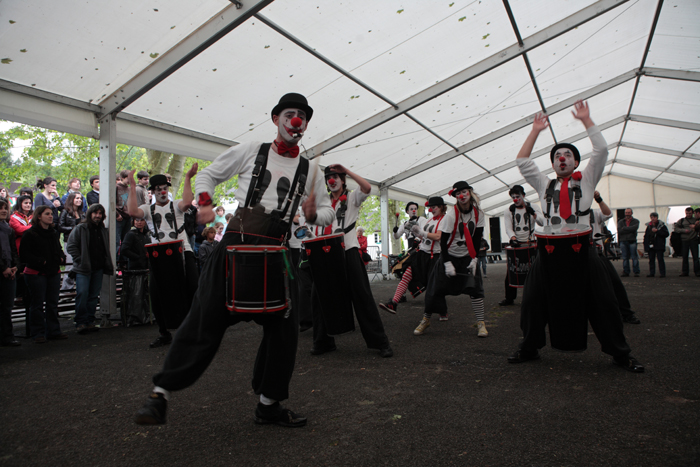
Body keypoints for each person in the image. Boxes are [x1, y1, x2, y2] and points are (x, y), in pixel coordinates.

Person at [134, 92, 334, 428]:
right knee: (203, 318)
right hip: (235, 245)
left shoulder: (312, 170)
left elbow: (328, 212)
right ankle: (160, 393)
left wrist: (313, 215)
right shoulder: (251, 150)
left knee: (284, 332)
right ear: (276, 119)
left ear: (306, 124)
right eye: (289, 113)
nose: (295, 120)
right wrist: (206, 203)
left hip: (277, 253)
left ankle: (269, 406)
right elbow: (206, 176)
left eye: (301, 115)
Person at [507, 100, 643, 372]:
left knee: (604, 302)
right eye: (558, 155)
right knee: (532, 302)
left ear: (576, 161)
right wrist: (535, 130)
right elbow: (522, 161)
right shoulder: (544, 184)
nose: (562, 158)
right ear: (553, 164)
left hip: (583, 249)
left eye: (568, 155)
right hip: (547, 252)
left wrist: (586, 120)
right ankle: (529, 347)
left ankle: (620, 353)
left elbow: (602, 149)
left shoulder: (587, 179)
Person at [310, 165, 393, 357]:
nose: (332, 180)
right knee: (318, 297)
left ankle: (380, 342)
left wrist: (346, 170)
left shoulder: (353, 197)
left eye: (336, 176)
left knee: (362, 296)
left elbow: (367, 188)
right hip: (325, 254)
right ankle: (323, 342)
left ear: (343, 179)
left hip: (348, 251)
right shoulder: (322, 202)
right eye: (329, 177)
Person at [126, 167, 200, 349]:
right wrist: (132, 186)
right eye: (158, 188)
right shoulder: (147, 209)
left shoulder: (176, 205)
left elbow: (188, 202)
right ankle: (164, 332)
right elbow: (132, 212)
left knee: (193, 287)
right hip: (159, 257)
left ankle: (194, 330)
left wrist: (188, 177)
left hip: (184, 251)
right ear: (152, 192)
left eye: (164, 187)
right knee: (157, 294)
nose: (162, 191)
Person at [414, 182, 488, 337]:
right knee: (434, 290)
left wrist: (474, 259)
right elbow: (443, 241)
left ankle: (481, 323)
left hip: (468, 257)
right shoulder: (452, 215)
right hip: (449, 256)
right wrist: (447, 262)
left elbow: (476, 238)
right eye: (458, 193)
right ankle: (425, 320)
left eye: (464, 191)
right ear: (455, 197)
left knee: (475, 290)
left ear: (469, 192)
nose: (462, 195)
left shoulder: (478, 214)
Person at [380, 197, 446, 316]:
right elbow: (396, 236)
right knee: (405, 273)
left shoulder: (425, 220)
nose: (414, 210)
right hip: (417, 253)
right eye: (411, 209)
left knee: (434, 284)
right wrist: (395, 232)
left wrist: (420, 234)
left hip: (429, 254)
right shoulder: (408, 223)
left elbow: (435, 236)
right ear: (407, 211)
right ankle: (394, 302)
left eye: (416, 208)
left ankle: (441, 311)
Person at [589, 191, 640, 325]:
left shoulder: (593, 213)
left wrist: (599, 199)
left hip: (596, 252)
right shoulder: (570, 215)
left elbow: (608, 214)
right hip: (577, 253)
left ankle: (626, 313)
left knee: (614, 283)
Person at [20, 205, 67, 343]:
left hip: (53, 271)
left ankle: (53, 331)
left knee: (52, 303)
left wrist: (61, 257)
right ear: (39, 216)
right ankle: (38, 333)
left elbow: (58, 248)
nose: (51, 216)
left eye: (51, 214)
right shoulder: (30, 233)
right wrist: (41, 261)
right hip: (36, 273)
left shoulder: (52, 232)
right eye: (47, 214)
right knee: (37, 304)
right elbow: (24, 255)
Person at [66, 204, 114, 333]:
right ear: (90, 214)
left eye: (100, 213)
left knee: (93, 296)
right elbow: (71, 246)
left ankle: (89, 321)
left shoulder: (103, 230)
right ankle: (80, 322)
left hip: (98, 267)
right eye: (95, 213)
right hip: (83, 268)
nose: (97, 216)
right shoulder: (81, 228)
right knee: (82, 294)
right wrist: (80, 260)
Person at [499, 185, 542, 307]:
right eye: (513, 197)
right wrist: (513, 238)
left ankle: (537, 296)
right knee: (512, 272)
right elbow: (508, 227)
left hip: (531, 243)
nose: (515, 199)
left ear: (523, 195)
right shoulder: (509, 210)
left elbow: (542, 222)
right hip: (517, 244)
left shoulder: (534, 206)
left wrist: (533, 213)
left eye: (518, 196)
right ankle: (509, 298)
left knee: (534, 272)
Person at [119, 216, 151, 326]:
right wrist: (137, 257)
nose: (139, 222)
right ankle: (134, 317)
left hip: (144, 268)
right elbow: (124, 250)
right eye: (137, 220)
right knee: (135, 294)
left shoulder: (147, 235)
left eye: (141, 220)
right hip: (135, 269)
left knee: (144, 294)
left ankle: (144, 316)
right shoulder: (131, 234)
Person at [0, 199, 21, 346]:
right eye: (0, 208)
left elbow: (13, 250)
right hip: (2, 270)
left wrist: (14, 266)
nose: (3, 210)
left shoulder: (8, 229)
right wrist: (3, 268)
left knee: (7, 306)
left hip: (9, 272)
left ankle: (7, 336)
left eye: (5, 208)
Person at [10, 195, 34, 318]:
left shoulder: (33, 216)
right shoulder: (13, 218)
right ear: (20, 204)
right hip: (19, 252)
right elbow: (19, 230)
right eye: (25, 203)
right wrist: (32, 228)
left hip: (32, 251)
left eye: (29, 203)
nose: (28, 205)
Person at [58, 192, 86, 291]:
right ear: (71, 199)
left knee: (79, 265)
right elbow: (60, 226)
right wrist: (73, 228)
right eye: (77, 198)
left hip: (81, 242)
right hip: (69, 241)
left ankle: (77, 288)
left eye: (80, 198)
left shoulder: (82, 213)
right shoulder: (65, 212)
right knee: (69, 266)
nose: (79, 200)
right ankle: (66, 290)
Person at [674, 207, 698, 277]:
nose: (688, 215)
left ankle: (697, 271)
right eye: (687, 213)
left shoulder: (696, 220)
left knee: (695, 257)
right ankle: (684, 271)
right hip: (684, 240)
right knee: (685, 257)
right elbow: (676, 228)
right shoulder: (681, 221)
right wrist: (684, 230)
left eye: (690, 213)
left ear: (693, 213)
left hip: (693, 240)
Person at [643, 212, 669, 278]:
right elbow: (646, 236)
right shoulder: (649, 226)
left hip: (659, 245)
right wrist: (646, 245)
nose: (653, 219)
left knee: (660, 259)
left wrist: (657, 231)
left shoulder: (662, 226)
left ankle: (662, 273)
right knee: (651, 260)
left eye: (654, 217)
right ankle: (652, 272)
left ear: (657, 218)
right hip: (651, 245)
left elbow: (666, 234)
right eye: (652, 217)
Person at [617, 208, 640, 277]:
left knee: (634, 257)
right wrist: (630, 229)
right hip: (623, 241)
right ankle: (626, 271)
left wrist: (624, 228)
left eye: (628, 212)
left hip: (632, 241)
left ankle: (636, 272)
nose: (627, 214)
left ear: (631, 213)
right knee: (625, 257)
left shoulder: (636, 221)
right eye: (626, 212)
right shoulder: (620, 221)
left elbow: (634, 228)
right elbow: (619, 230)